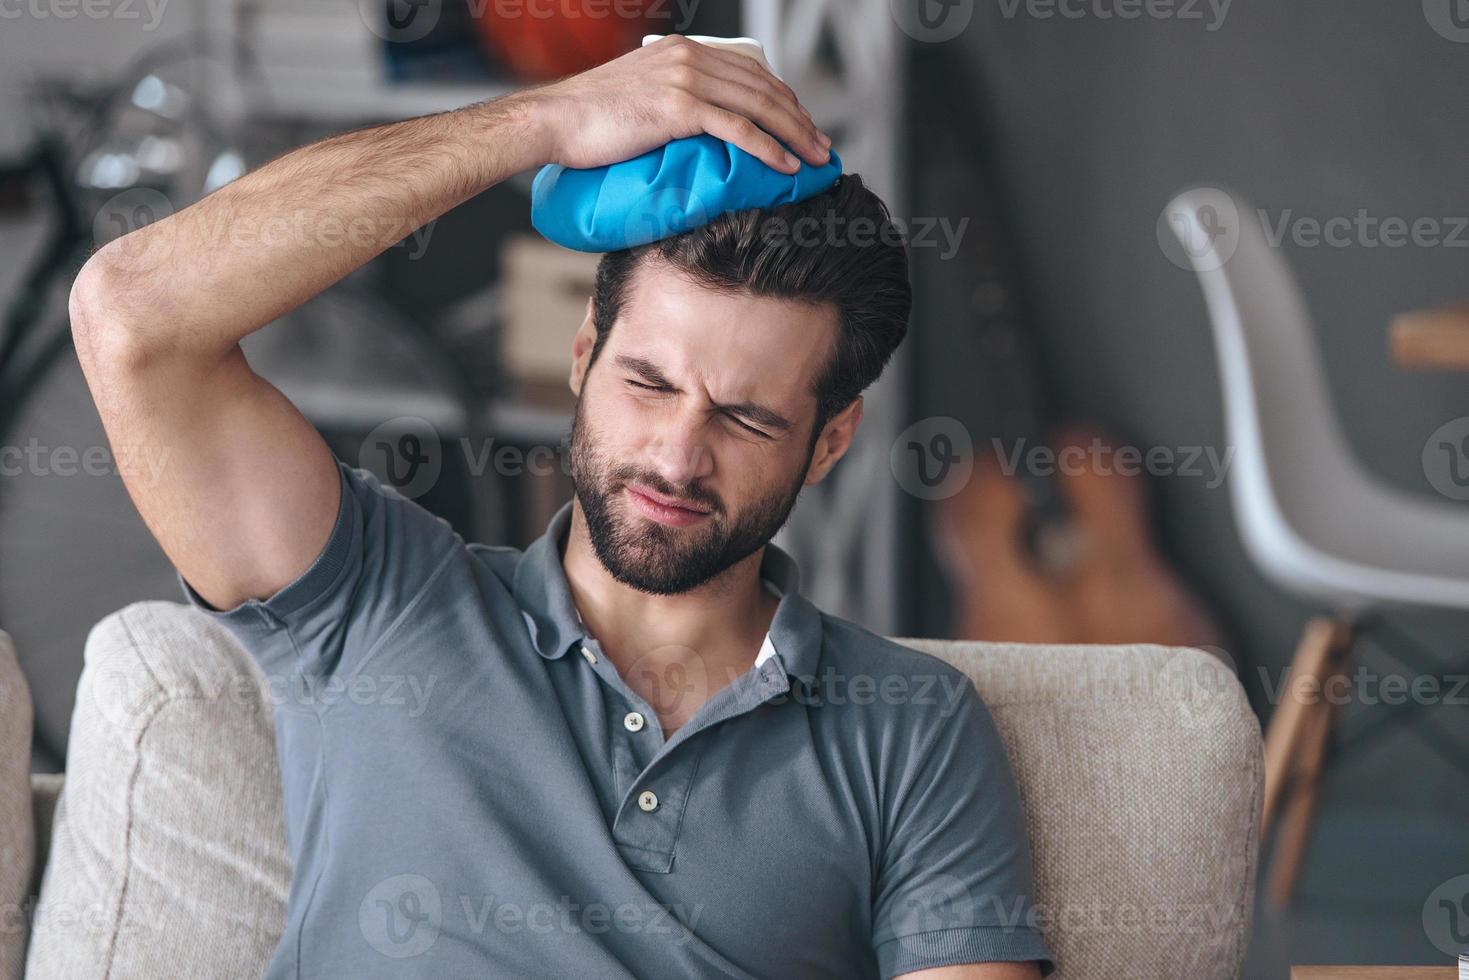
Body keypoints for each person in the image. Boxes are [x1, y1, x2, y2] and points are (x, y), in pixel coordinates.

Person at [69, 35, 1052, 980]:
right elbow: (132, 315)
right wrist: (548, 117)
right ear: (582, 356)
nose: (675, 454)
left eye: (745, 417)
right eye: (647, 382)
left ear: (828, 439)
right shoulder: (373, 601)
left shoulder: (911, 729)